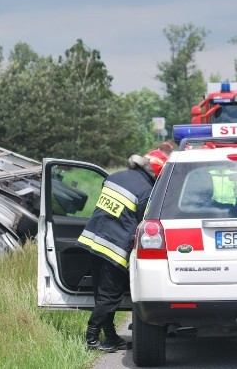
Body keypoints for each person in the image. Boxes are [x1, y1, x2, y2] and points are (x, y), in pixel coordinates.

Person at [77, 147, 170, 352]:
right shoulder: (147, 191)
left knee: (101, 296)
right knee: (110, 297)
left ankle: (110, 337)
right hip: (115, 247)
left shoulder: (114, 177)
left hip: (93, 240)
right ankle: (91, 339)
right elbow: (143, 223)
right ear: (157, 173)